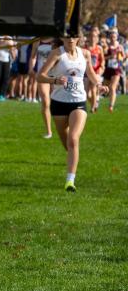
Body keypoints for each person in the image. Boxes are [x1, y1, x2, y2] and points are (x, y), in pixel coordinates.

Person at [37, 34, 107, 191]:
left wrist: (99, 85)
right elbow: (39, 76)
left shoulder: (85, 53)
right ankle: (72, 158)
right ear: (62, 38)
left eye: (74, 37)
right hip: (59, 103)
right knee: (67, 142)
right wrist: (55, 80)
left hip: (79, 102)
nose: (70, 40)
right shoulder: (56, 53)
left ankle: (70, 181)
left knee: (74, 139)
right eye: (67, 37)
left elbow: (90, 73)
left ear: (78, 38)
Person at [30, 37, 55, 138]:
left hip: (56, 74)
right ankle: (49, 131)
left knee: (57, 101)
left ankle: (64, 125)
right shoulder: (37, 40)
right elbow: (33, 56)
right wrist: (31, 68)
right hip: (42, 74)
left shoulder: (57, 39)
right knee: (45, 100)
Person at [102, 30, 124, 112]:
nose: (112, 38)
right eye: (111, 37)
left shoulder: (120, 46)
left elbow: (123, 57)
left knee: (112, 87)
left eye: (114, 37)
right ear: (109, 37)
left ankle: (111, 106)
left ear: (117, 37)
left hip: (116, 69)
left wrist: (120, 54)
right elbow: (102, 58)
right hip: (107, 69)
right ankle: (96, 101)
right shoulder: (106, 46)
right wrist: (110, 56)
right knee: (105, 88)